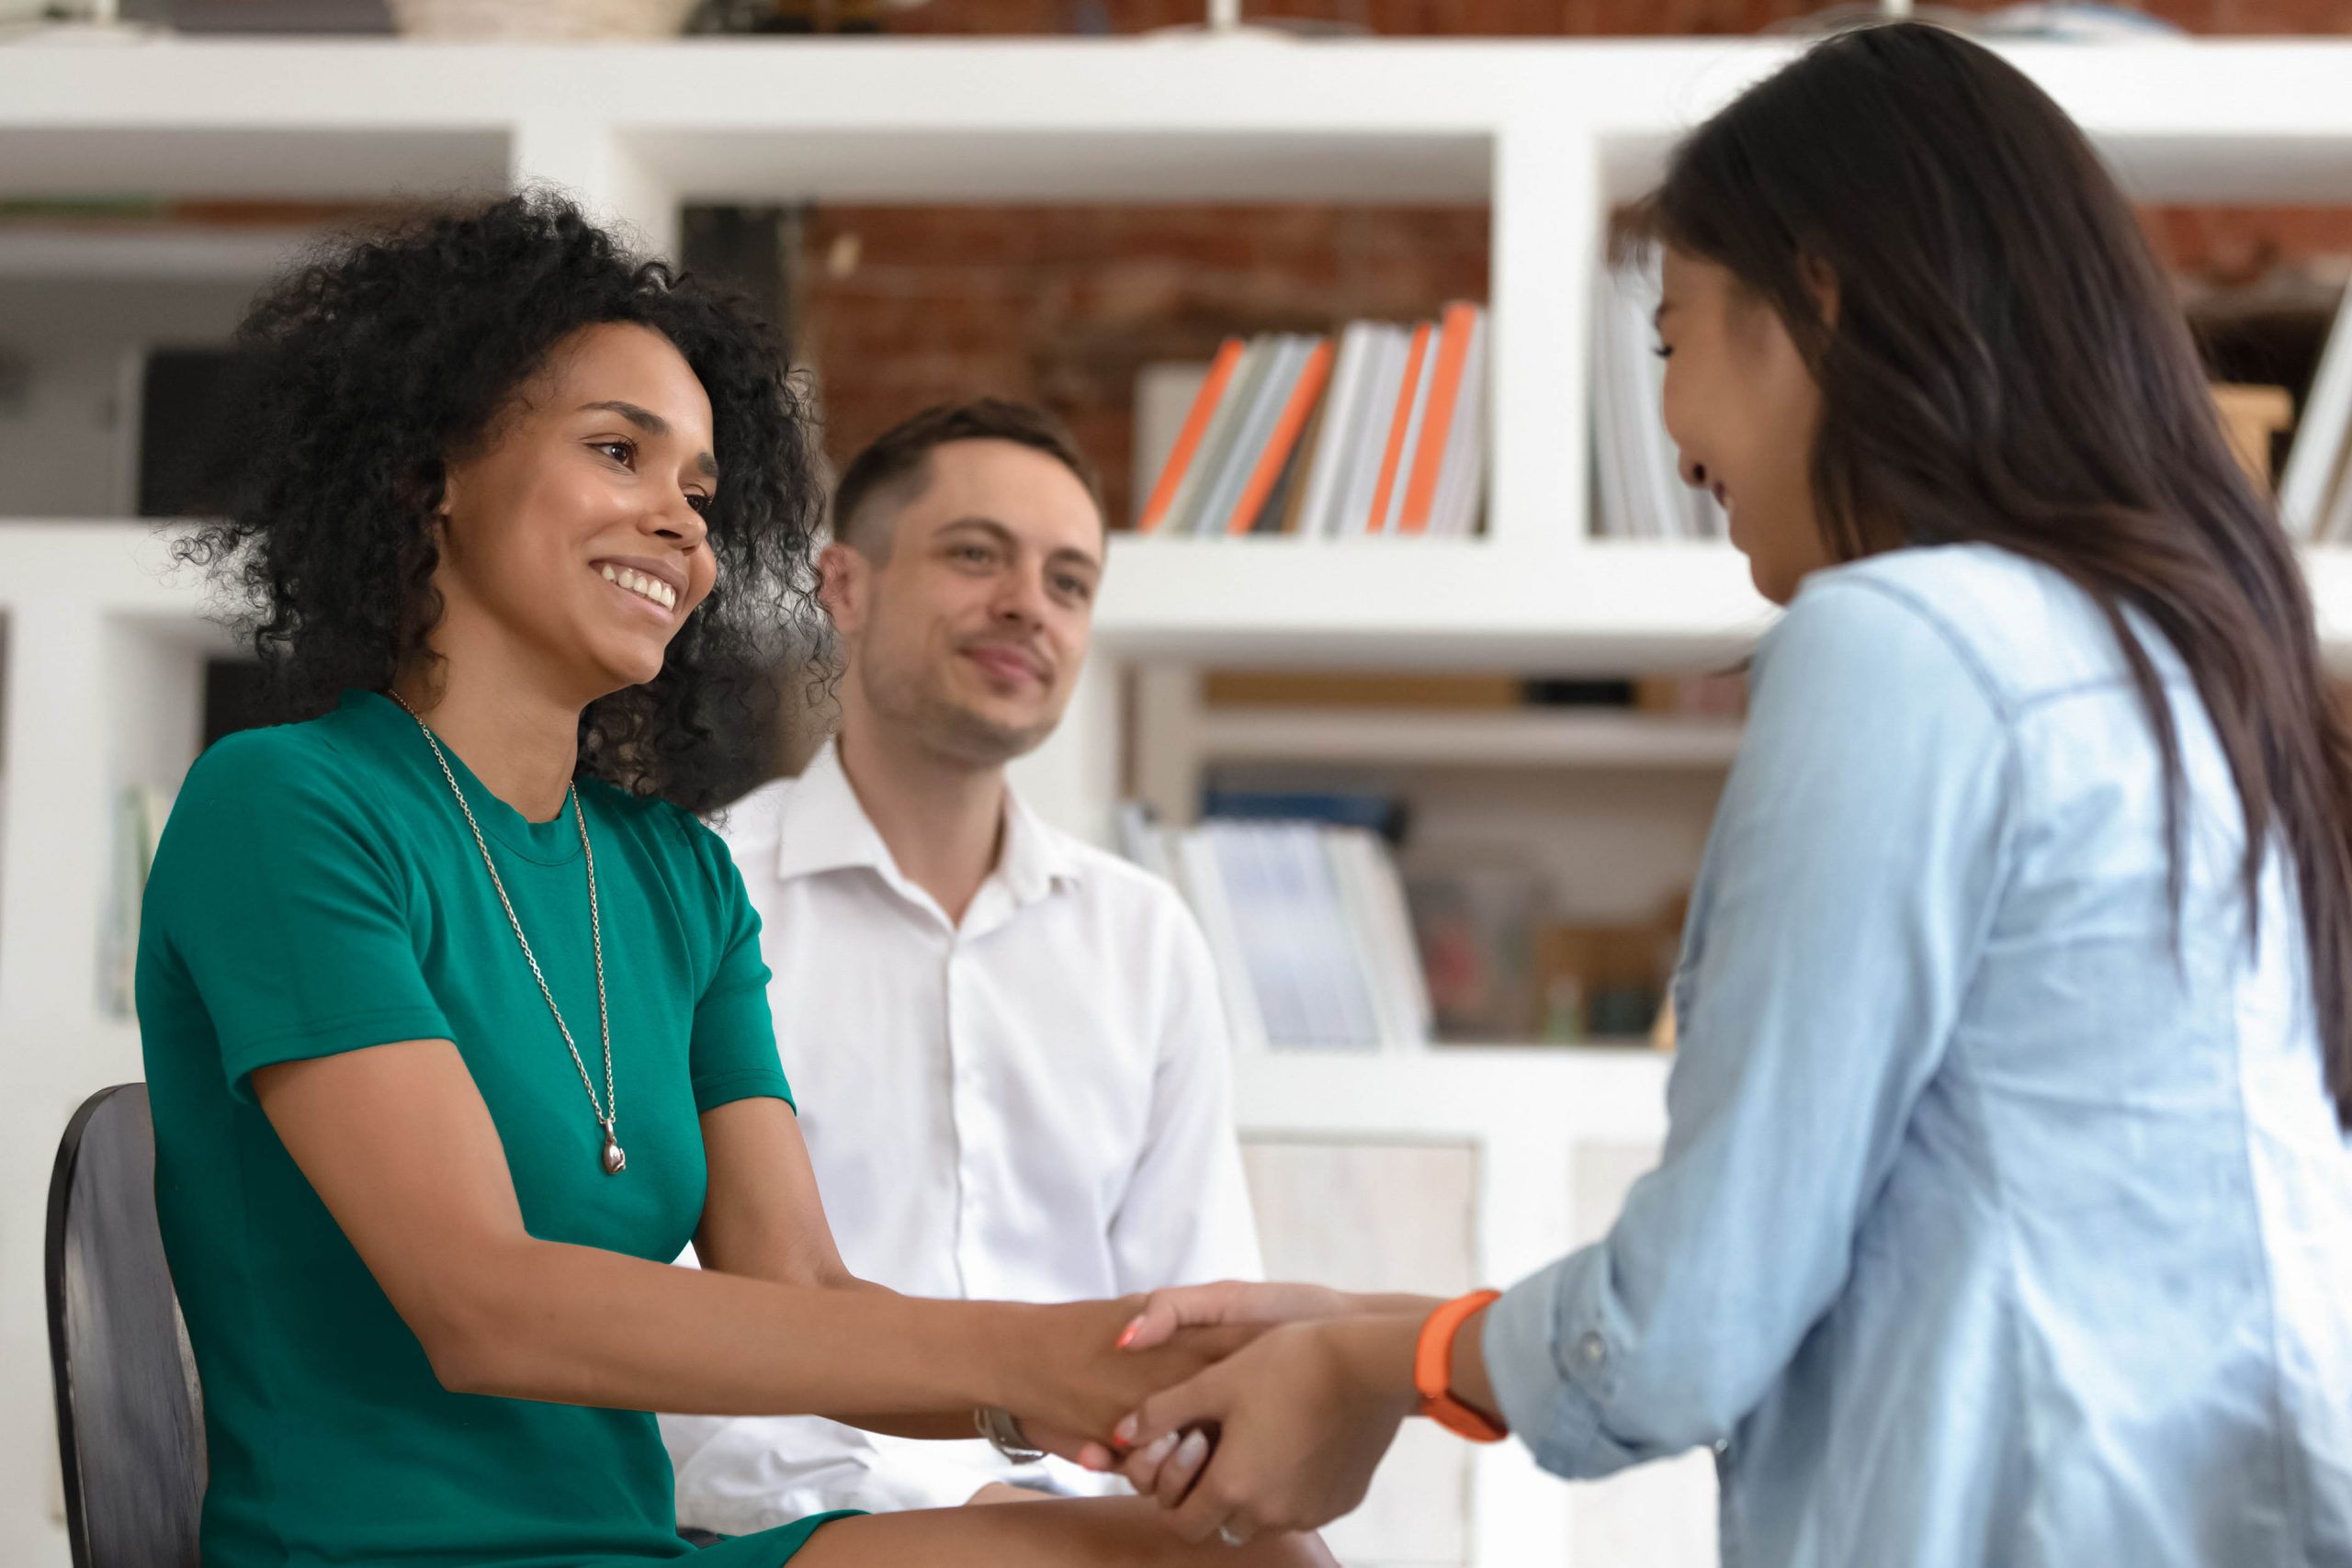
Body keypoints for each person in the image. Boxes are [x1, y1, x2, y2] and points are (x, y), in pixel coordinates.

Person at [1085, 23, 2352, 1566]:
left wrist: (1378, 1366)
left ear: (1815, 293)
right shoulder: (2176, 658)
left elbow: (1689, 1326)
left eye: (1673, 341)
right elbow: (1890, 1241)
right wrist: (1385, 1329)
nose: (1676, 442)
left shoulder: (1906, 644)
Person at [135, 191, 1332, 1568]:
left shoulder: (678, 878)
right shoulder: (288, 808)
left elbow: (804, 1286)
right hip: (381, 1554)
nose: (680, 526)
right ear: (429, 475)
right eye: (616, 453)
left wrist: (1097, 1403)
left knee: (1252, 1552)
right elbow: (485, 1304)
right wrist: (1038, 1357)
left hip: (642, 1548)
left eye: (701, 491)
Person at [659, 400, 1261, 1529]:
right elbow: (669, 1348)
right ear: (843, 585)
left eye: (1069, 582)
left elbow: (1193, 1322)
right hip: (794, 1535)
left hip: (1103, 1538)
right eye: (976, 554)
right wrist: (968, 1519)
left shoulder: (1145, 937)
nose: (1027, 605)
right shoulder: (699, 895)